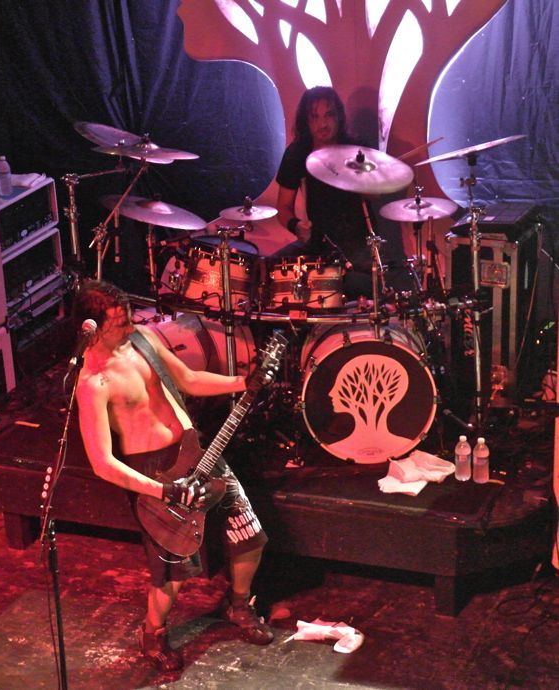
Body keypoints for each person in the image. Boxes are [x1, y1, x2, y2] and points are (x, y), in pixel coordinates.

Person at [73, 280, 273, 672]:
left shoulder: (143, 340)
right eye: (119, 323)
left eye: (129, 318)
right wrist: (162, 490)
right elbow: (102, 463)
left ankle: (238, 605)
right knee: (173, 570)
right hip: (154, 474)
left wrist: (241, 383)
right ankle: (153, 633)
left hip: (197, 454)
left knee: (248, 533)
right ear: (92, 328)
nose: (130, 327)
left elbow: (188, 379)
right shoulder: (92, 383)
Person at [274, 85, 379, 298]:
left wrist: (358, 177)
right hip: (318, 243)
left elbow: (375, 194)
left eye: (329, 115)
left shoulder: (355, 149)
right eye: (315, 117)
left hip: (356, 245)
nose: (323, 124)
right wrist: (296, 226)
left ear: (339, 117)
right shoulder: (298, 153)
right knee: (269, 271)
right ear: (306, 121)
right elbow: (283, 207)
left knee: (355, 287)